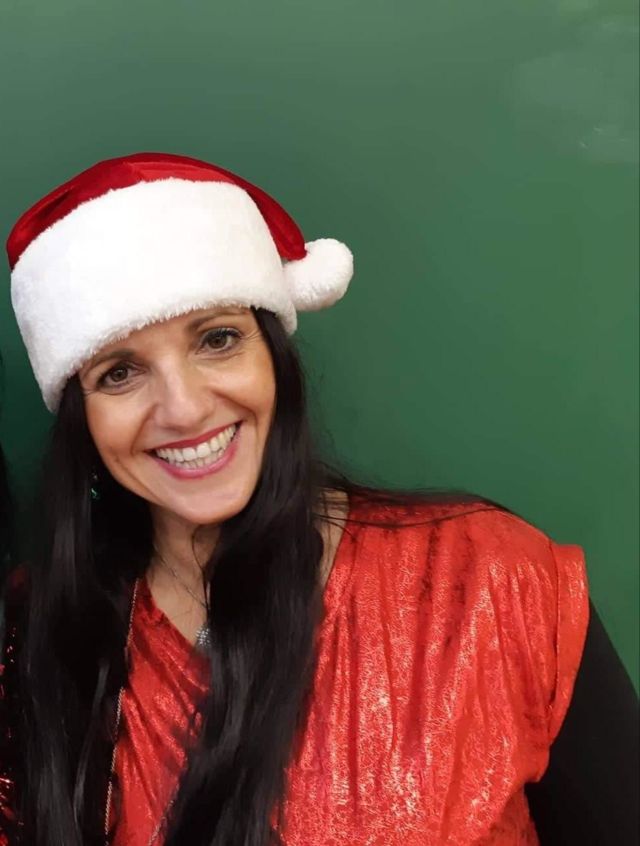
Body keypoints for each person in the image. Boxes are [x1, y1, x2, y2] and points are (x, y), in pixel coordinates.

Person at [0, 153, 637, 846]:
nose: (183, 409)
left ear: (274, 355)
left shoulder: (494, 581)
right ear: (82, 421)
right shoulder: (35, 644)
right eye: (119, 373)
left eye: (218, 339)